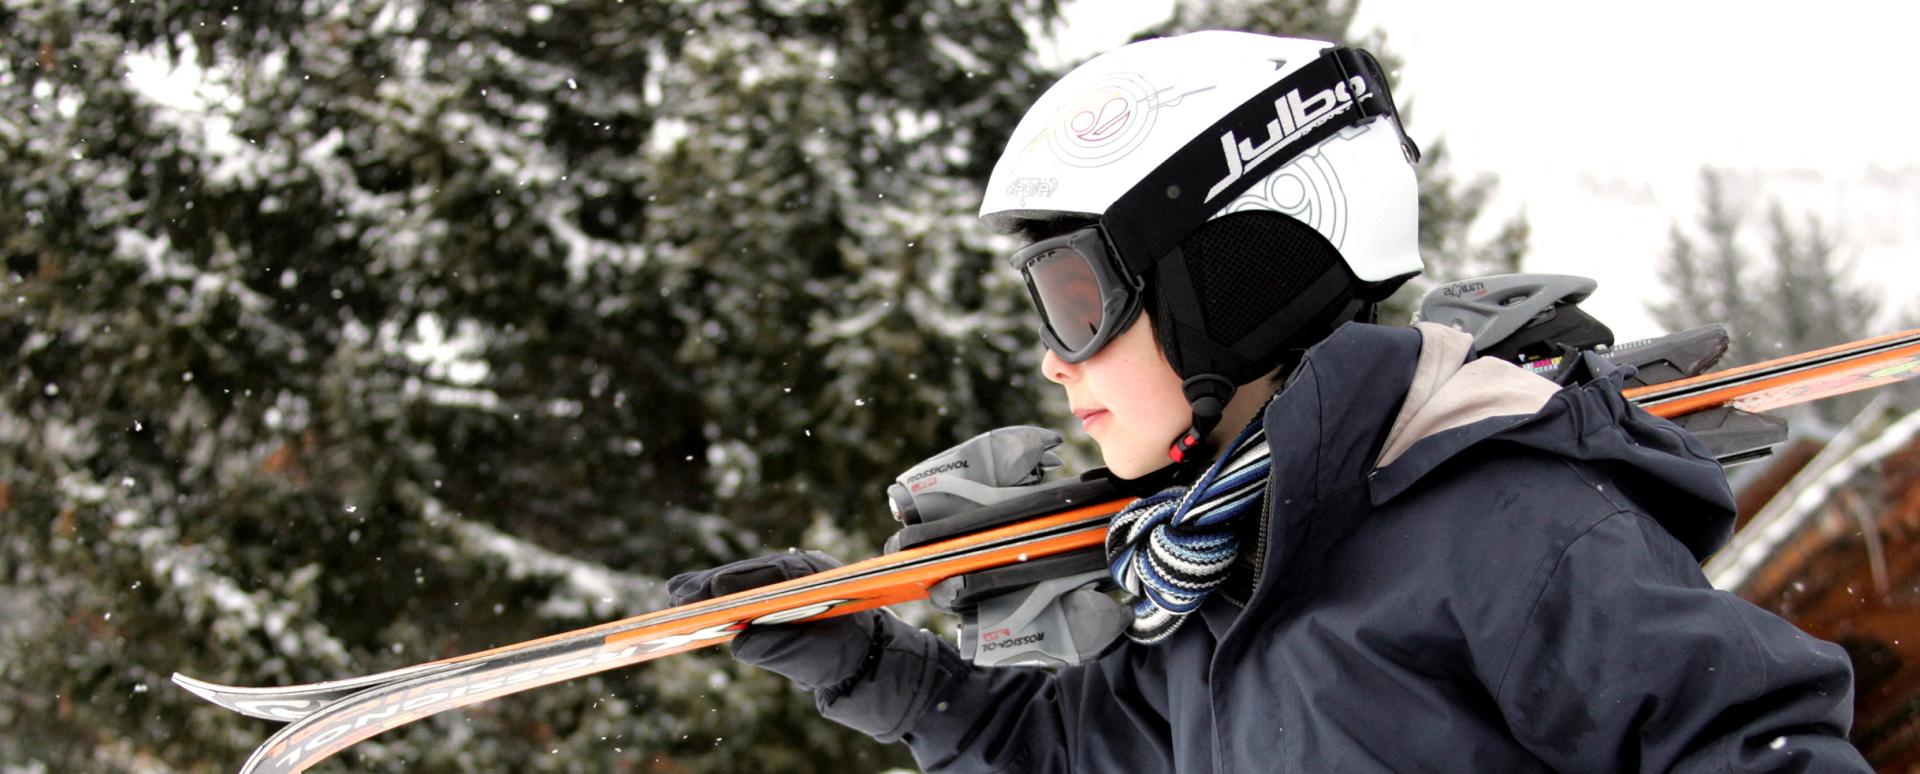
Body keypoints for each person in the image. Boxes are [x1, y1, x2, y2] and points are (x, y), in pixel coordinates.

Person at [668, 31, 1870, 771]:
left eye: (1078, 299)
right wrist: (860, 659)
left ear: (1223, 288)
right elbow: (1050, 750)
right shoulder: (1219, 591)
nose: (1055, 361)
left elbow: (1755, 743)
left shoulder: (1506, 527)